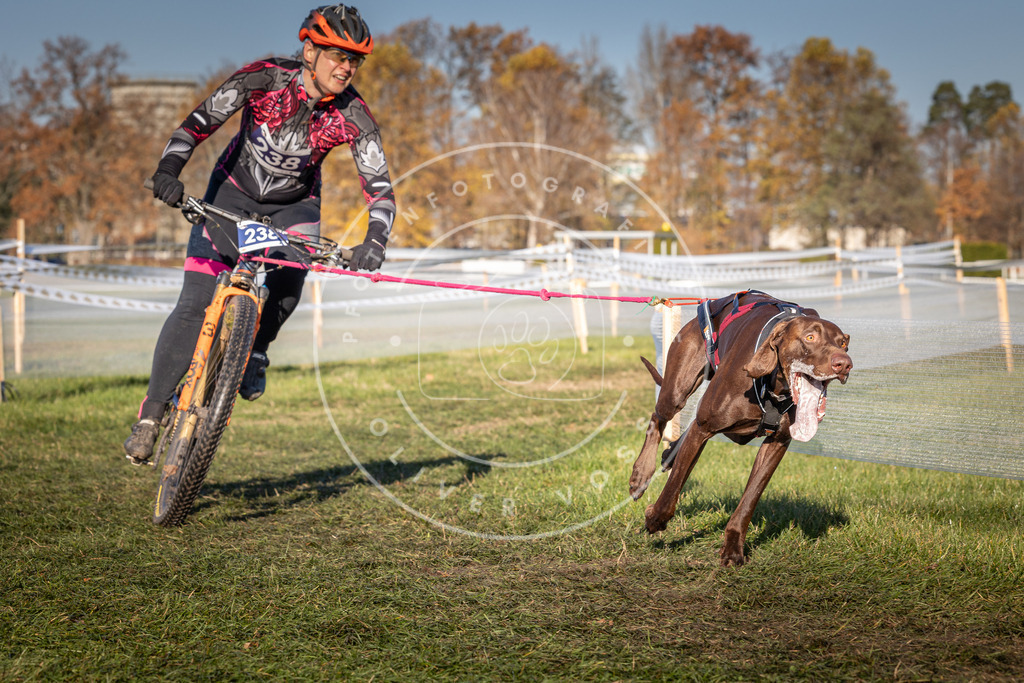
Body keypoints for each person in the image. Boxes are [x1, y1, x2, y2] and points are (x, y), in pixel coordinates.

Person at [124, 4, 396, 465]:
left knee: (292, 275)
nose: (347, 67)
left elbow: (380, 187)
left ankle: (256, 352)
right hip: (230, 194)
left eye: (355, 60)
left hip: (295, 206)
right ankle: (150, 417)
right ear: (309, 51)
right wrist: (169, 171)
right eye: (338, 55)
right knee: (193, 304)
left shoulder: (354, 114)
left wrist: (376, 240)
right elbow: (197, 124)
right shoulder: (263, 77)